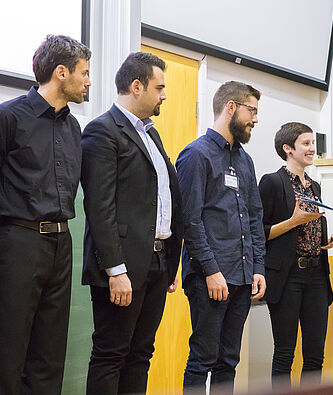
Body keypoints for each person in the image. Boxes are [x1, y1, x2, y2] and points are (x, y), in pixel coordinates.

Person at [80, 52, 183, 395]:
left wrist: (168, 262)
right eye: (160, 87)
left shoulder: (152, 135)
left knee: (141, 354)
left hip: (156, 261)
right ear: (136, 86)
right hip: (122, 267)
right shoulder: (101, 131)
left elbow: (164, 199)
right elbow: (99, 207)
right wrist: (115, 270)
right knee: (111, 354)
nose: (164, 95)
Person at [0, 34, 91, 395]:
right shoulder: (9, 116)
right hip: (17, 241)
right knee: (8, 347)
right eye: (85, 73)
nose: (88, 81)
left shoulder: (73, 127)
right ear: (61, 73)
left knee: (50, 351)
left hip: (61, 242)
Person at [176, 81, 267, 393]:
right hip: (209, 278)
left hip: (242, 277)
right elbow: (190, 221)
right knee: (202, 359)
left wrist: (258, 268)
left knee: (228, 361)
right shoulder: (195, 155)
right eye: (251, 111)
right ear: (231, 107)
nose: (255, 119)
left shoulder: (245, 160)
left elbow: (254, 216)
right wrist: (212, 271)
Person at [258, 122, 333, 387]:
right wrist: (293, 222)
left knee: (316, 356)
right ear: (288, 149)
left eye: (313, 143)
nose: (312, 148)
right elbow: (259, 232)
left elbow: (310, 224)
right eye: (306, 143)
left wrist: (325, 239)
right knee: (284, 354)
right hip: (287, 278)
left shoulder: (314, 186)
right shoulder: (272, 182)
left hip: (317, 275)